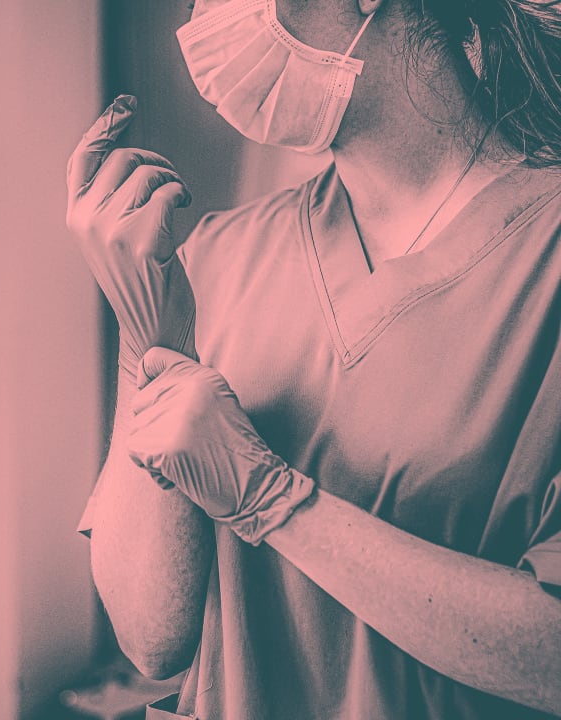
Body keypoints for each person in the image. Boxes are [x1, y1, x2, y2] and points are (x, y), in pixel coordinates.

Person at [66, 0, 561, 718]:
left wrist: (274, 502)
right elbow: (151, 639)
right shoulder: (214, 258)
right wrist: (152, 337)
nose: (202, 19)